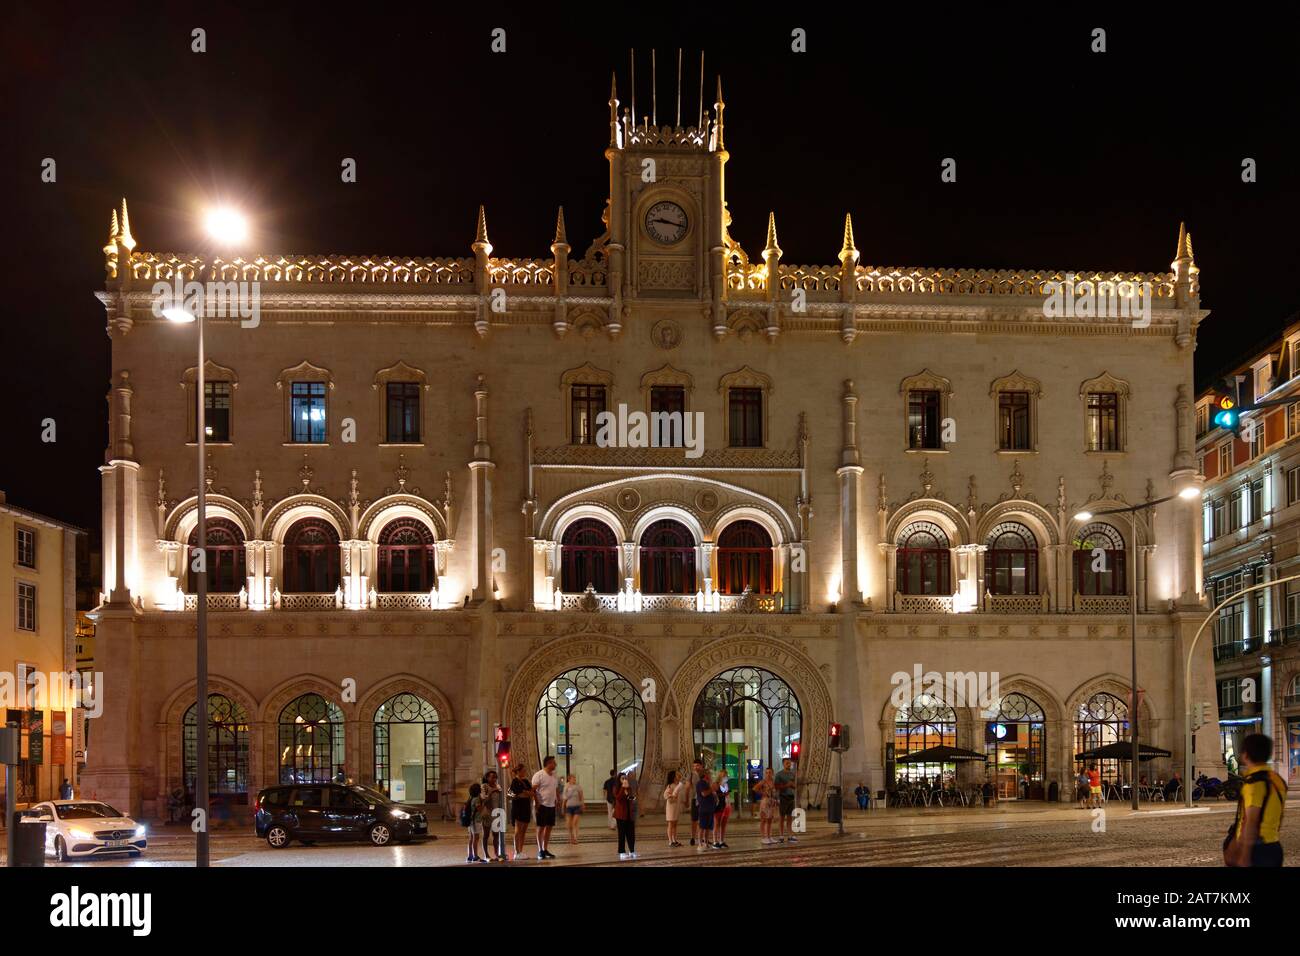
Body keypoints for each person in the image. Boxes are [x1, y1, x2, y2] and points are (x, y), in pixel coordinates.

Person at [1224, 733, 1287, 867]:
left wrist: (1244, 855)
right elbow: (1280, 815)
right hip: (1274, 846)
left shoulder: (1253, 784)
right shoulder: (1278, 780)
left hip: (1257, 850)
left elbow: (1250, 821)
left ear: (1245, 755)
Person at [531, 755, 560, 859]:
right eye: (553, 762)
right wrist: (537, 802)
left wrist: (558, 800)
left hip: (551, 805)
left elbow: (556, 788)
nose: (555, 764)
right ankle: (540, 850)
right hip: (541, 805)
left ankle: (545, 848)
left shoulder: (554, 775)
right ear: (548, 763)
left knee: (549, 828)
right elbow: (533, 790)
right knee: (541, 828)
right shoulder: (539, 775)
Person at [509, 764, 533, 861]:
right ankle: (516, 852)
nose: (524, 772)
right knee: (518, 830)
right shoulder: (514, 781)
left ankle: (521, 851)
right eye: (523, 770)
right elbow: (517, 794)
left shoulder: (526, 781)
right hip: (518, 808)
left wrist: (525, 793)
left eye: (525, 770)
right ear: (518, 771)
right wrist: (525, 793)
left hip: (526, 807)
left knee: (523, 831)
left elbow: (531, 793)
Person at [614, 772, 638, 859]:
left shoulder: (629, 788)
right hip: (620, 815)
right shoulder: (616, 788)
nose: (624, 780)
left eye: (625, 778)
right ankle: (622, 852)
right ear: (619, 780)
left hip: (630, 814)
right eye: (622, 778)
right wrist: (622, 788)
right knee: (622, 834)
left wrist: (628, 791)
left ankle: (632, 851)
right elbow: (619, 798)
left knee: (631, 834)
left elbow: (632, 797)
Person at [481, 769, 503, 861]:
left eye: (495, 777)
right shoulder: (484, 786)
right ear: (487, 778)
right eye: (492, 777)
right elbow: (483, 800)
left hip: (496, 814)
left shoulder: (498, 786)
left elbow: (502, 799)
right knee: (486, 835)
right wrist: (491, 792)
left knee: (496, 835)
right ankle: (486, 855)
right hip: (487, 813)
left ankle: (496, 854)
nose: (494, 779)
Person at [774, 757, 797, 843]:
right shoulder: (779, 774)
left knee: (790, 817)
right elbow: (776, 787)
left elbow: (795, 785)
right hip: (783, 797)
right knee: (782, 817)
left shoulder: (792, 774)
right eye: (787, 763)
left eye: (789, 763)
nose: (789, 764)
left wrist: (793, 786)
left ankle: (790, 835)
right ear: (783, 764)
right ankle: (781, 835)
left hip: (791, 797)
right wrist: (787, 785)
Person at [696, 768, 718, 850]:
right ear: (705, 775)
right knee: (702, 826)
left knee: (708, 827)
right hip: (704, 808)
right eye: (710, 774)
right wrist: (712, 789)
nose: (711, 775)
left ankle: (706, 842)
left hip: (710, 808)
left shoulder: (708, 783)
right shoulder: (701, 783)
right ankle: (700, 844)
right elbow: (704, 793)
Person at [464, 783, 487, 863]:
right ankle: (475, 856)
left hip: (471, 821)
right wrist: (484, 802)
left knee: (471, 839)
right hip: (476, 821)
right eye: (480, 788)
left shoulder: (470, 798)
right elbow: (480, 809)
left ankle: (470, 856)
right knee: (475, 839)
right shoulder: (477, 799)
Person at [663, 770, 684, 846]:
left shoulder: (678, 785)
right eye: (677, 775)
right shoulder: (670, 785)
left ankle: (674, 839)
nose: (679, 776)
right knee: (671, 824)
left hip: (676, 807)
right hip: (671, 807)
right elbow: (665, 795)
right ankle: (670, 841)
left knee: (675, 824)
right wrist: (672, 796)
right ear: (674, 777)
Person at [758, 768, 778, 844]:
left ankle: (769, 836)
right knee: (764, 819)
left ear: (772, 773)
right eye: (766, 772)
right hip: (765, 802)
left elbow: (774, 792)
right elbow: (755, 788)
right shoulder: (763, 781)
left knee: (770, 819)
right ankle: (763, 837)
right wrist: (763, 793)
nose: (768, 774)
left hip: (771, 802)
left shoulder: (773, 782)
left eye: (770, 772)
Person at [563, 774, 584, 845]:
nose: (574, 779)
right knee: (569, 824)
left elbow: (581, 796)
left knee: (575, 823)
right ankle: (571, 837)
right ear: (569, 779)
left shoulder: (578, 786)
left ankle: (575, 838)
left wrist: (582, 804)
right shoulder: (566, 786)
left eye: (575, 778)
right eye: (573, 778)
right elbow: (564, 798)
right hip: (569, 806)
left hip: (577, 806)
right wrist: (563, 807)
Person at [714, 770, 732, 848]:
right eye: (724, 775)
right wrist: (723, 794)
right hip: (719, 806)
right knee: (717, 824)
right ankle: (715, 841)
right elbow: (715, 795)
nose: (725, 777)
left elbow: (727, 795)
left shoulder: (726, 785)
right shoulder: (716, 785)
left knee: (723, 824)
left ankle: (721, 840)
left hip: (726, 805)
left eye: (726, 775)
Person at [688, 758, 704, 846]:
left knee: (702, 819)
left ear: (701, 766)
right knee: (694, 820)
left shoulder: (705, 774)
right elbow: (687, 786)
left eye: (697, 765)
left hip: (703, 799)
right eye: (694, 766)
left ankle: (700, 838)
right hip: (694, 799)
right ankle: (693, 837)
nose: (695, 767)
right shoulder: (691, 774)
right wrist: (687, 798)